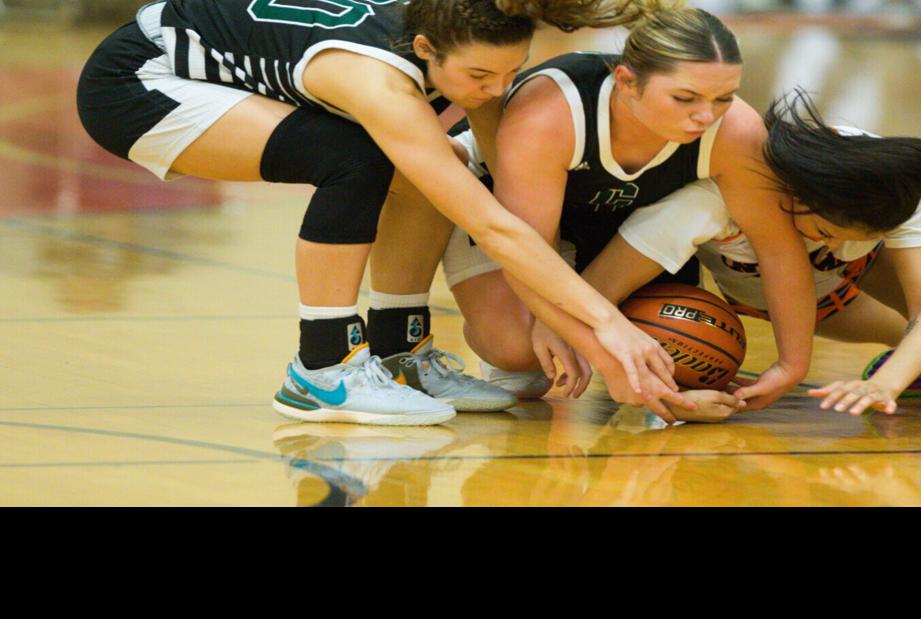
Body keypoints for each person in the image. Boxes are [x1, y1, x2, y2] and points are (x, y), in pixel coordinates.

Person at [75, 0, 681, 426]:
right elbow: (493, 228)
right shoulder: (377, 77)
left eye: (511, 73)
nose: (495, 90)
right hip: (140, 81)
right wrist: (605, 325)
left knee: (433, 162)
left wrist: (555, 301)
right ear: (424, 50)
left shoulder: (464, 39)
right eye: (479, 77)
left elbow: (505, 193)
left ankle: (400, 352)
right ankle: (321, 368)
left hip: (236, 57)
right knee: (356, 159)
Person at [570, 90, 921, 421]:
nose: (829, 247)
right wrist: (656, 386)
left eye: (842, 237)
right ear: (797, 195)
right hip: (787, 298)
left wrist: (885, 386)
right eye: (823, 230)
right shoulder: (708, 202)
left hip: (866, 273)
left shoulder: (889, 188)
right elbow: (591, 297)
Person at [402, 4, 821, 422]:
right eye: (685, 98)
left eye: (723, 98)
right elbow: (524, 249)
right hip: (519, 222)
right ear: (627, 82)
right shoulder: (550, 114)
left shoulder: (736, 132)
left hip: (623, 223)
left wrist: (792, 364)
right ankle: (496, 338)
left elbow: (778, 248)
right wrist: (585, 339)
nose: (705, 116)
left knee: (675, 349)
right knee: (517, 349)